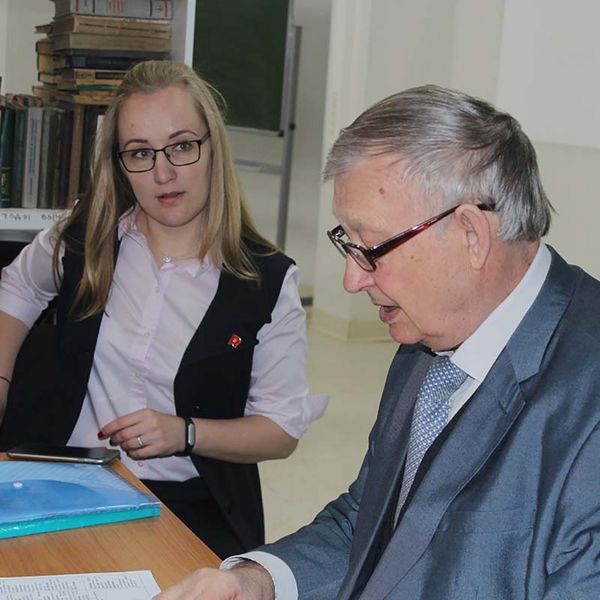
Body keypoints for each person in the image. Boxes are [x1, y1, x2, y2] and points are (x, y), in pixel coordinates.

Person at [156, 84, 600, 599]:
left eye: (370, 248)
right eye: (346, 243)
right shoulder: (426, 341)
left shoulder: (586, 407)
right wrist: (255, 582)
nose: (352, 280)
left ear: (471, 234)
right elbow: (373, 528)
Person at [0, 60, 327, 559]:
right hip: (65, 483)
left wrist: (186, 433)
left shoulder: (264, 280)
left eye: (182, 146)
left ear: (212, 147)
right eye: (140, 153)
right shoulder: (83, 240)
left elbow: (280, 432)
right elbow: (19, 288)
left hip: (188, 504)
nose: (163, 173)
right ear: (120, 164)